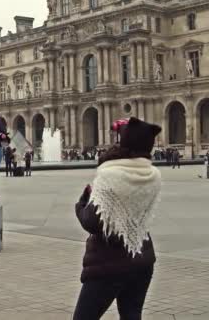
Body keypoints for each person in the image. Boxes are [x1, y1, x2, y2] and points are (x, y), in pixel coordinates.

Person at [73, 117, 162, 320]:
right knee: (131, 315)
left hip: (109, 262)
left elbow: (93, 222)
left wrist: (81, 204)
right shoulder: (153, 175)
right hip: (142, 258)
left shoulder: (110, 175)